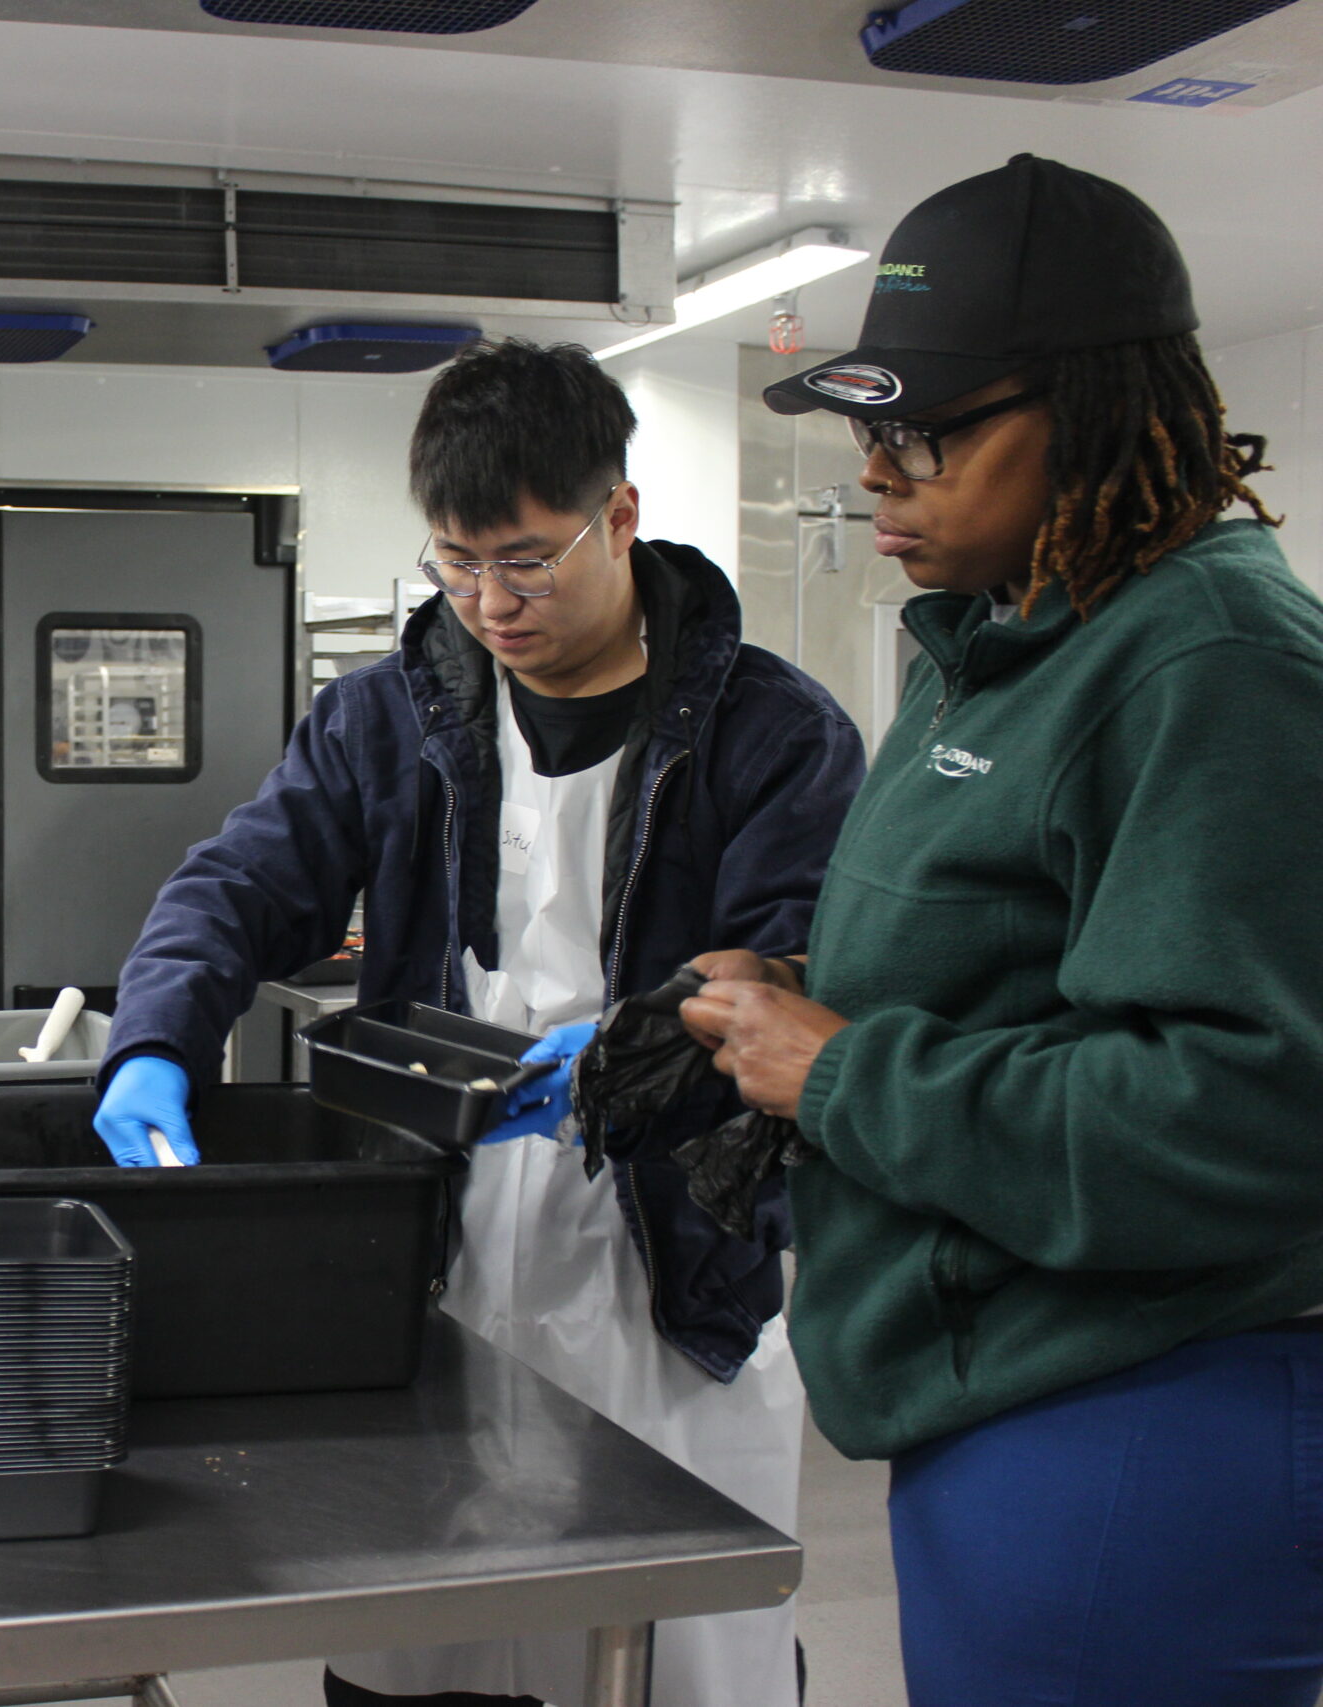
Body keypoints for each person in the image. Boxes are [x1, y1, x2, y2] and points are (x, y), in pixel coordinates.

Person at [96, 339, 865, 1707]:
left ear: (617, 514)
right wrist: (154, 1039)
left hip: (665, 1264)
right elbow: (242, 881)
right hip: (431, 1247)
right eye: (456, 564)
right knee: (422, 1645)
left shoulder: (772, 735)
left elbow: (793, 969)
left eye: (523, 560)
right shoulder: (393, 717)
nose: (489, 603)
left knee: (672, 1651)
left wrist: (640, 1056)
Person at [685, 154, 1323, 1706]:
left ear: (1102, 410)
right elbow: (1023, 969)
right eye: (868, 430)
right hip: (998, 1387)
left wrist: (839, 1073)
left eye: (930, 432)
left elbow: (1249, 1109)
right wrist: (798, 992)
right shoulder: (998, 643)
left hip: (1152, 1408)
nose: (881, 473)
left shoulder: (1211, 665)